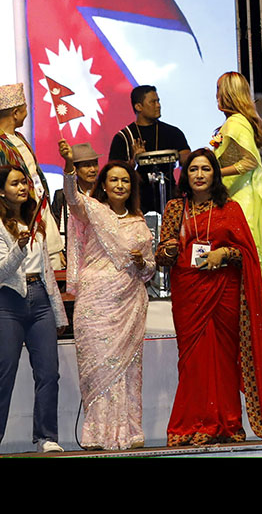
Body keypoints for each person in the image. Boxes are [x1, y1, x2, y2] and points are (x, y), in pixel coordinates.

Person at [155, 149, 262, 445]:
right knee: (192, 362)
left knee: (224, 359)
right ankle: (192, 423)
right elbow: (163, 254)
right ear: (185, 175)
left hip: (223, 291)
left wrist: (224, 253)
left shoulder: (231, 208)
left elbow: (247, 254)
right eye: (193, 170)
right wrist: (170, 250)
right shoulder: (176, 208)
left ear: (215, 174)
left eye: (205, 169)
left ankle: (226, 422)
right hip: (189, 293)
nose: (199, 175)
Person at [58, 141, 156, 450]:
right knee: (98, 370)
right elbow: (72, 197)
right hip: (95, 304)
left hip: (128, 304)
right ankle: (98, 434)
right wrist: (69, 166)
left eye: (125, 180)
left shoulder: (140, 224)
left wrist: (143, 263)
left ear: (132, 187)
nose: (119, 185)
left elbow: (149, 269)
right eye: (113, 179)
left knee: (127, 370)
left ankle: (129, 432)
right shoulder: (93, 211)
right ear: (104, 184)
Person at [0, 164, 68, 453]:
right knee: (5, 371)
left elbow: (49, 275)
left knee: (49, 372)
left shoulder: (36, 221)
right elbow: (2, 272)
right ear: (1, 191)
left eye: (24, 183)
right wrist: (18, 247)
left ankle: (46, 436)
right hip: (8, 300)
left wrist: (58, 311)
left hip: (40, 299)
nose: (22, 188)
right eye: (15, 184)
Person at [213, 71, 262, 296]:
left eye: (219, 90)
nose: (216, 96)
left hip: (242, 202)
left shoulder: (235, 123)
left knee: (247, 264)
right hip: (238, 198)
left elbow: (249, 161)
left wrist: (215, 173)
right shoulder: (234, 123)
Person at [0, 83, 65, 272]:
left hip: (38, 207)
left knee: (52, 259)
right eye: (26, 108)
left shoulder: (19, 137)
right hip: (17, 216)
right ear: (16, 112)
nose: (27, 112)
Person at [108, 85, 190, 213]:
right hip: (136, 204)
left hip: (171, 200)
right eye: (153, 102)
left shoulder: (173, 132)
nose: (158, 105)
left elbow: (187, 161)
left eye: (158, 101)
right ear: (138, 107)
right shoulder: (123, 137)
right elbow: (113, 174)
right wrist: (134, 160)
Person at [51, 142, 100, 244]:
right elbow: (54, 225)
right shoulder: (62, 195)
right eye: (86, 166)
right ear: (75, 169)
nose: (93, 170)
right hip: (70, 247)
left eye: (95, 164)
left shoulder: (103, 193)